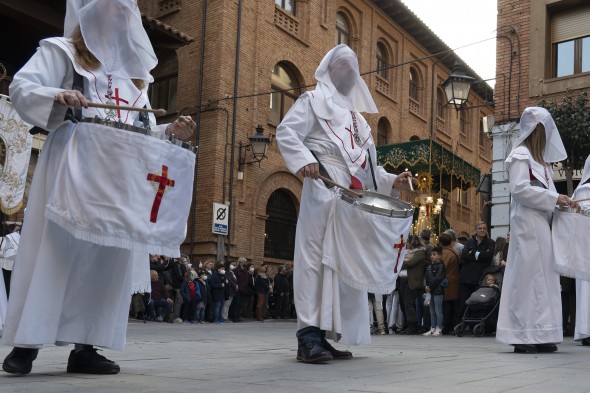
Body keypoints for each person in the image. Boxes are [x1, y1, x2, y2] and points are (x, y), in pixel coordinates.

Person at [1, 0, 195, 375]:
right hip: (72, 171)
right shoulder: (61, 52)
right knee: (55, 253)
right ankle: (26, 345)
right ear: (88, 13)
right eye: (111, 9)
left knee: (104, 263)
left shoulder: (135, 79)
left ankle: (86, 346)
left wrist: (169, 132)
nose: (120, 16)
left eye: (126, 12)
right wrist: (56, 96)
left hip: (120, 183)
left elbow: (138, 132)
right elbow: (24, 87)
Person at [276, 44, 413, 363]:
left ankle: (324, 337)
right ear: (330, 70)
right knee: (314, 261)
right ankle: (307, 337)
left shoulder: (359, 122)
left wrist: (393, 180)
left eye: (354, 69)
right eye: (344, 67)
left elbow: (367, 167)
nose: (350, 74)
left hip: (350, 203)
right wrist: (304, 159)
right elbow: (286, 133)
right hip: (324, 193)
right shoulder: (311, 101)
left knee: (341, 268)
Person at [496, 107, 575, 354]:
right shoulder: (520, 155)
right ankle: (522, 334)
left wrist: (561, 203)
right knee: (528, 278)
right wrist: (554, 198)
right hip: (527, 224)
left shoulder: (543, 164)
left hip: (542, 223)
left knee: (545, 279)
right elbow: (519, 189)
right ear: (538, 130)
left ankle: (542, 332)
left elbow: (547, 195)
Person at [458, 221, 495, 321]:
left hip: (480, 277)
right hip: (466, 277)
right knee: (464, 302)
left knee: (478, 302)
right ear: (475, 230)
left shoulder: (490, 242)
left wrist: (474, 253)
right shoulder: (469, 242)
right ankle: (460, 323)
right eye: (480, 228)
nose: (482, 230)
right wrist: (479, 255)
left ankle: (473, 324)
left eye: (484, 228)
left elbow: (488, 256)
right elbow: (464, 256)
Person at [572, 155, 590, 346]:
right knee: (587, 289)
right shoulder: (584, 189)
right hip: (587, 250)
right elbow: (583, 213)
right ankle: (587, 330)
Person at [439, 233, 460, 335]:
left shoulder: (446, 253)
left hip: (448, 282)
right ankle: (451, 326)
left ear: (441, 242)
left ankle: (447, 327)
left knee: (447, 306)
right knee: (451, 305)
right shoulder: (454, 250)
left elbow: (442, 267)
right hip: (454, 280)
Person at [423, 247, 446, 337]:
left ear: (439, 256)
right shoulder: (429, 267)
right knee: (432, 310)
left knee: (438, 310)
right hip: (430, 291)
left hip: (438, 290)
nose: (432, 256)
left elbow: (438, 278)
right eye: (431, 255)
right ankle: (432, 328)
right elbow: (425, 277)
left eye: (434, 254)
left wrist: (430, 287)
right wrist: (425, 286)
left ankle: (439, 328)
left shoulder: (441, 266)